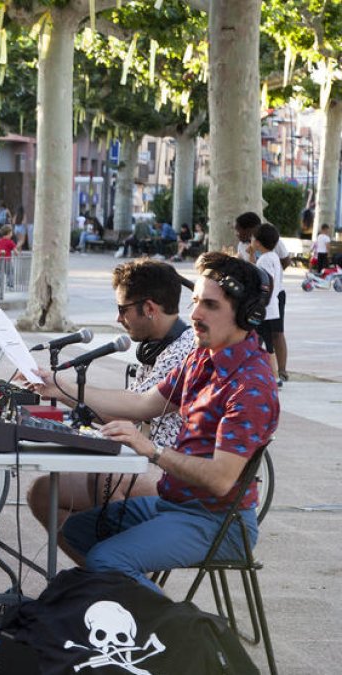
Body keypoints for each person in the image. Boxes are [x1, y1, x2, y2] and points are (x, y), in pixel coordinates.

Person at [28, 252, 279, 592]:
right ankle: (126, 614)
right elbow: (144, 404)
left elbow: (221, 481)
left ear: (247, 314)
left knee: (107, 559)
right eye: (194, 302)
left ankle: (172, 636)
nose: (195, 314)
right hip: (174, 505)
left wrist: (152, 449)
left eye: (210, 305)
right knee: (77, 531)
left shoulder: (251, 385)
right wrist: (57, 385)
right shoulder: (202, 357)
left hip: (218, 522)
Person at [26, 260, 196, 557]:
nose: (118, 319)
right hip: (142, 461)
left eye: (123, 309)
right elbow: (125, 413)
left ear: (150, 309)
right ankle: (103, 578)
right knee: (42, 492)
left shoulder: (184, 352)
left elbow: (138, 408)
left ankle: (122, 580)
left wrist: (63, 387)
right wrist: (60, 392)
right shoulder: (157, 347)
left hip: (172, 469)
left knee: (106, 477)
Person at [234, 212, 291, 384]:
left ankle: (278, 373)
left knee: (273, 336)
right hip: (265, 300)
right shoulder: (252, 249)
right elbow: (252, 270)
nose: (237, 233)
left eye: (239, 230)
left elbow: (268, 278)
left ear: (253, 232)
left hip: (269, 300)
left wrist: (265, 298)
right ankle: (261, 370)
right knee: (258, 336)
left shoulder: (271, 243)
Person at [253, 223, 284, 380]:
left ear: (258, 242)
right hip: (272, 308)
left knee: (266, 344)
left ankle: (274, 376)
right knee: (263, 341)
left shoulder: (264, 260)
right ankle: (270, 374)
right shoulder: (273, 257)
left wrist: (262, 302)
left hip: (265, 309)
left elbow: (268, 281)